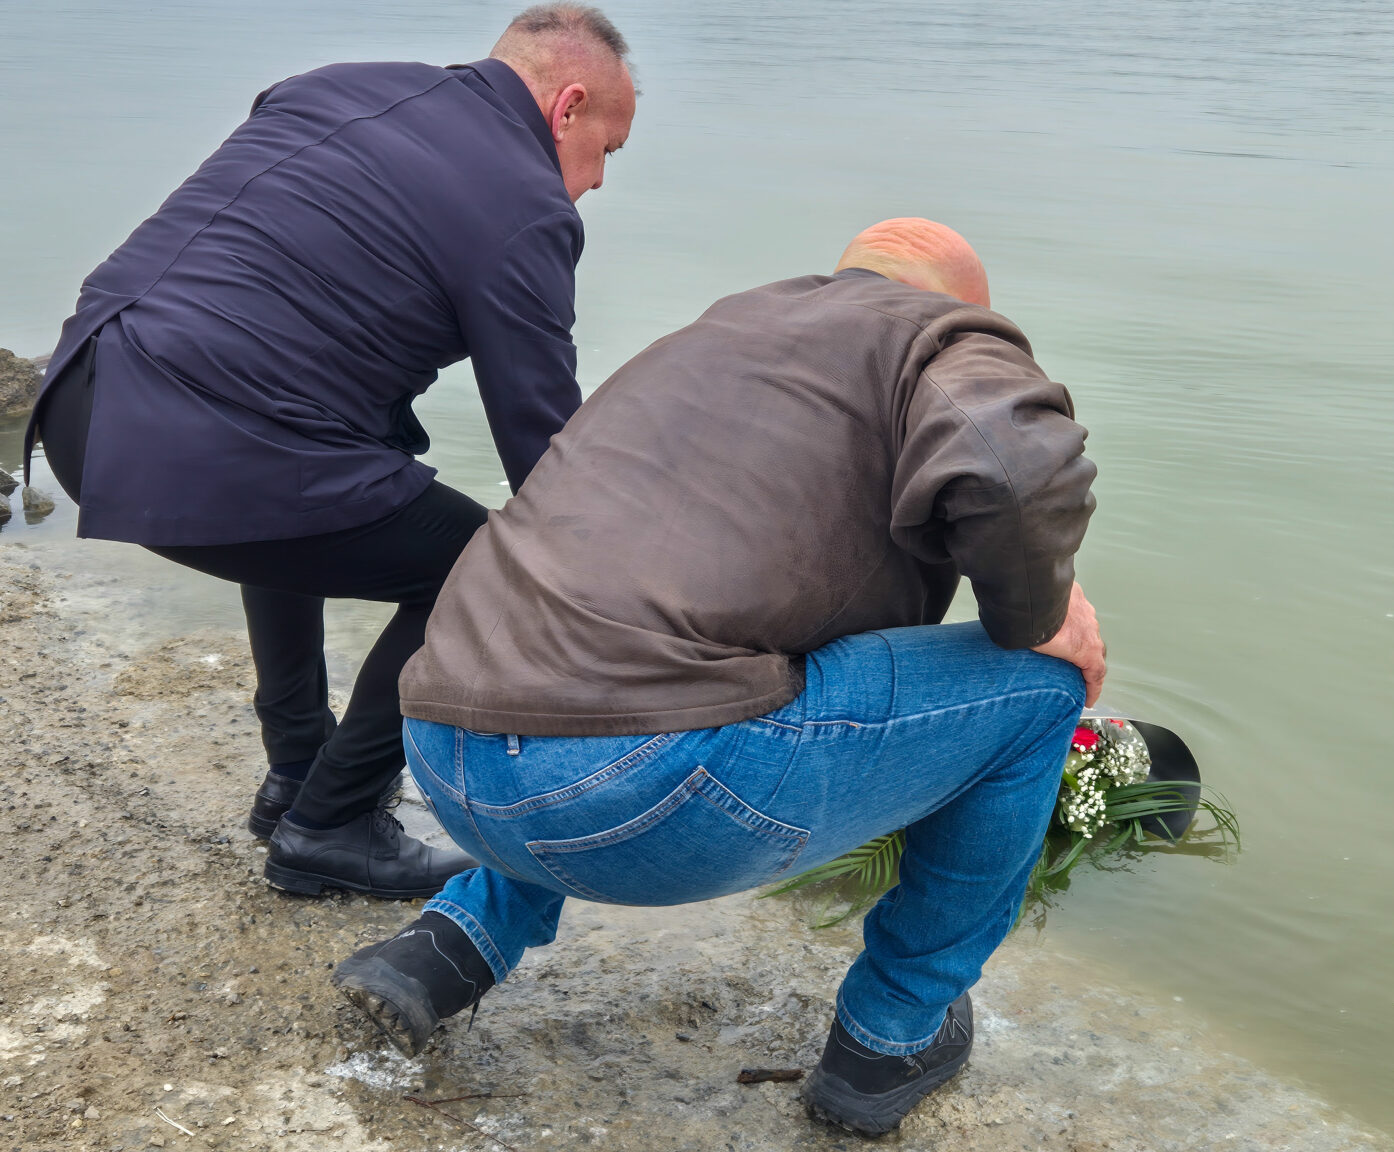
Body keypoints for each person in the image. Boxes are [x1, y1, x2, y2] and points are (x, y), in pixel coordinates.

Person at [336, 218, 1105, 1136]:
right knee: (1038, 694)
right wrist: (1041, 616)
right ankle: (890, 1036)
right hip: (634, 804)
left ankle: (448, 946)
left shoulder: (713, 336)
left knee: (616, 646)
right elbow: (1020, 471)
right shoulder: (934, 334)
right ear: (950, 300)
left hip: (443, 749)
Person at [24, 6, 637, 899]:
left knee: (316, 467)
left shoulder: (329, 85)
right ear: (567, 108)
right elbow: (544, 451)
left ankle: (296, 773)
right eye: (608, 150)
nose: (599, 181)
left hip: (86, 398)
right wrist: (642, 589)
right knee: (488, 568)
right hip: (206, 442)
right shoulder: (524, 203)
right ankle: (332, 822)